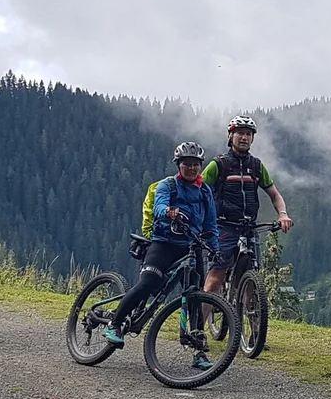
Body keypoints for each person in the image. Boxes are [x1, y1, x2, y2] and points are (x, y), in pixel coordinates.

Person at [104, 142, 218, 345]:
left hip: (192, 248)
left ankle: (198, 349)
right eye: (186, 164)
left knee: (195, 296)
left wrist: (215, 250)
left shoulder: (205, 192)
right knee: (148, 283)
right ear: (178, 165)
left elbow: (211, 225)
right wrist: (168, 212)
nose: (191, 168)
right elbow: (159, 206)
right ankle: (114, 323)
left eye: (195, 164)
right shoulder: (168, 185)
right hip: (164, 244)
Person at [203, 113, 293, 295]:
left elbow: (274, 194)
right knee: (216, 277)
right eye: (240, 133)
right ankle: (198, 323)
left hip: (249, 227)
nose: (244, 137)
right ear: (230, 136)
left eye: (248, 134)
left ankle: (253, 321)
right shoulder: (219, 165)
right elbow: (199, 191)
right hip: (223, 226)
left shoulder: (257, 166)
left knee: (252, 279)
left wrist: (282, 214)